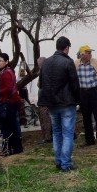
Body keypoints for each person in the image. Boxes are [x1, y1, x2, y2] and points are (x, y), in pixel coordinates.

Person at [38, 36, 80, 172]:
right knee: (67, 133)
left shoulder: (46, 63)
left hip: (51, 104)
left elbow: (41, 83)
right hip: (66, 103)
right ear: (67, 47)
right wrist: (78, 100)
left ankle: (58, 161)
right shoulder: (68, 62)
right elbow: (75, 84)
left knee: (56, 133)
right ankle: (66, 164)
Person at [75, 44, 97, 148]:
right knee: (86, 117)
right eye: (87, 53)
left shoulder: (96, 62)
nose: (90, 54)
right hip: (83, 92)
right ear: (81, 54)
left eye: (90, 53)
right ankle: (89, 139)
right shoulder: (76, 63)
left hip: (95, 91)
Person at [0, 53, 24, 155]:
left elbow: (8, 88)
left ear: (6, 62)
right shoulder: (8, 71)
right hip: (11, 102)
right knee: (13, 125)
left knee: (7, 126)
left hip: (9, 103)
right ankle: (15, 148)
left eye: (0, 60)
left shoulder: (6, 73)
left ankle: (9, 148)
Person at [35, 57, 53, 143]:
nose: (38, 65)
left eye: (39, 63)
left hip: (44, 100)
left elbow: (39, 85)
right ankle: (47, 136)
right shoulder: (46, 71)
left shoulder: (44, 72)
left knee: (46, 119)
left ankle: (47, 137)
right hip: (44, 99)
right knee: (45, 119)